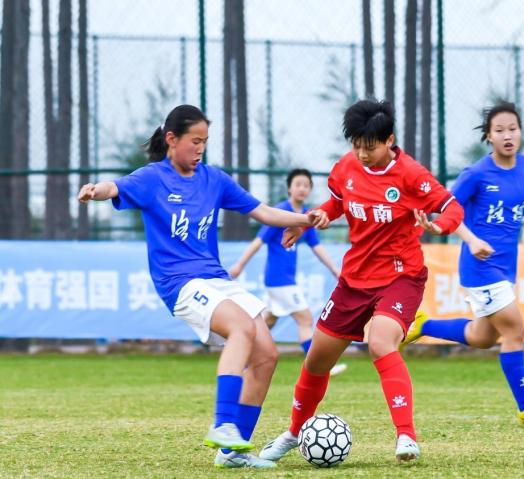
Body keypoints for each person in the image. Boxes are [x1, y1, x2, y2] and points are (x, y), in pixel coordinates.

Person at [77, 105, 329, 469]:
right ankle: (223, 423)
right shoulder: (153, 178)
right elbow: (114, 187)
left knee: (266, 355)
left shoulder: (214, 180)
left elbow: (262, 211)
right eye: (195, 141)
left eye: (205, 142)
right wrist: (94, 190)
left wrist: (304, 219)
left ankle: (232, 453)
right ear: (171, 139)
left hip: (217, 280)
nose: (200, 148)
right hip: (179, 283)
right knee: (241, 327)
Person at [257, 99, 464, 464]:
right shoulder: (346, 167)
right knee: (316, 360)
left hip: (400, 276)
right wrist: (314, 218)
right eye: (356, 145)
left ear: (389, 141)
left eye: (370, 147)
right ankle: (293, 432)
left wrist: (438, 226)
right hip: (354, 279)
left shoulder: (411, 175)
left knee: (380, 342)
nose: (362, 154)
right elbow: (336, 203)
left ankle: (406, 436)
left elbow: (452, 208)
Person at [405, 102, 524, 426]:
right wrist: (471, 239)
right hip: (479, 267)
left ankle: (423, 325)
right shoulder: (476, 174)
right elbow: (448, 210)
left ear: (520, 132)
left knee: (483, 336)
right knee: (515, 330)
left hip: (506, 267)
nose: (507, 135)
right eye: (499, 130)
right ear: (489, 136)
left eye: (513, 129)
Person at [228, 168, 347, 376]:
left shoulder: (306, 217)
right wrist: (239, 265)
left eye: (306, 185)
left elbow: (317, 247)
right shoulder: (280, 213)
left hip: (282, 281)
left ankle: (242, 363)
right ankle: (320, 368)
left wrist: (335, 269)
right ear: (289, 188)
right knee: (305, 319)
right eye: (298, 184)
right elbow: (258, 241)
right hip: (279, 280)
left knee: (267, 322)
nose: (302, 189)